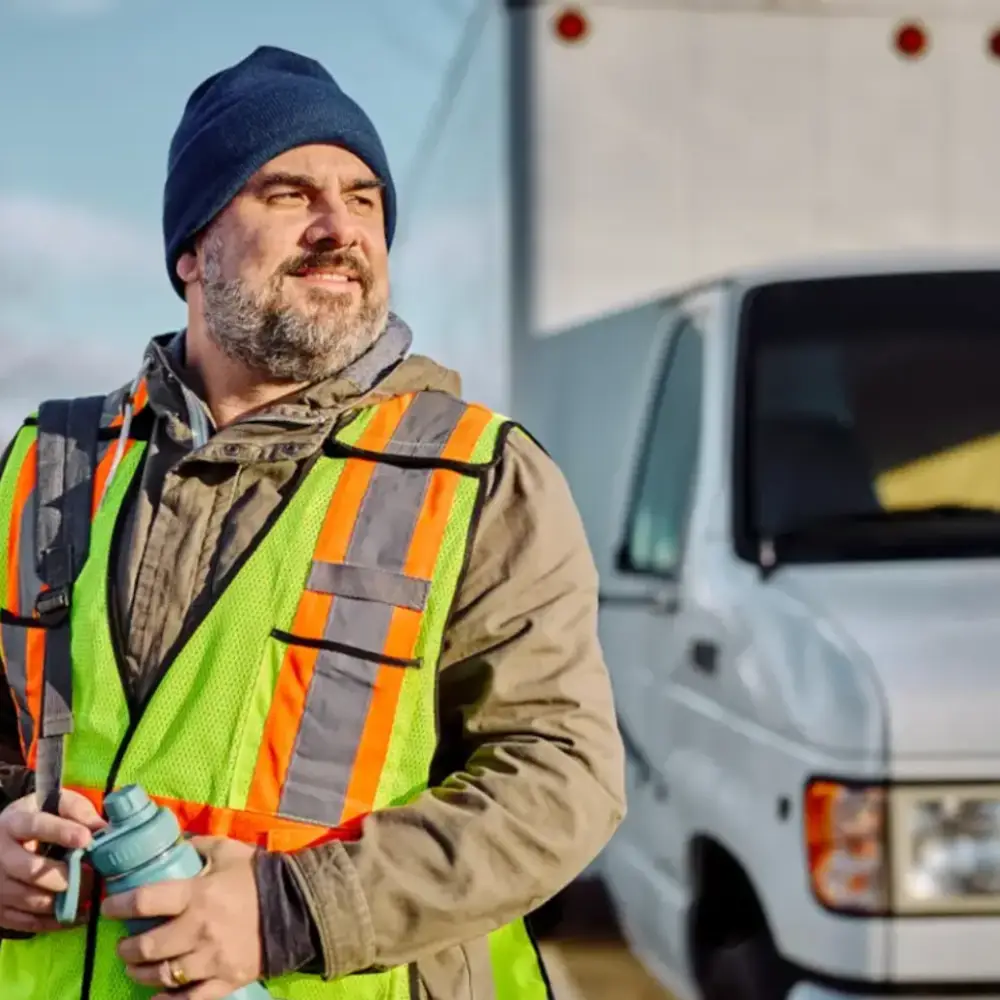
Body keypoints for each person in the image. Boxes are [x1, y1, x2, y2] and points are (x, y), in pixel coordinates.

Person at [0, 45, 625, 1000]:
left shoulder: (479, 474)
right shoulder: (49, 461)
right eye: (289, 194)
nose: (341, 229)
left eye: (365, 198)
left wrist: (285, 910)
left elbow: (562, 780)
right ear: (191, 251)